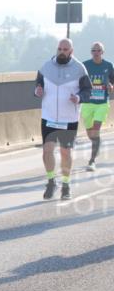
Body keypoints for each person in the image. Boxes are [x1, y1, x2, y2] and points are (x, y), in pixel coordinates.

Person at [35, 38, 91, 200]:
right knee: (47, 151)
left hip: (69, 118)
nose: (61, 51)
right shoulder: (45, 67)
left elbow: (87, 91)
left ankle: (66, 184)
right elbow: (38, 85)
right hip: (49, 116)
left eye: (65, 49)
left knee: (65, 152)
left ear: (71, 51)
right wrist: (37, 90)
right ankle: (51, 181)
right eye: (59, 48)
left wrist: (79, 98)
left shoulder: (80, 68)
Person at [82, 41, 114, 170]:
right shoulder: (85, 65)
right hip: (88, 103)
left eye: (98, 50)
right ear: (91, 52)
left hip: (102, 104)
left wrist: (111, 86)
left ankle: (92, 160)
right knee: (91, 134)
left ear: (102, 52)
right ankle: (97, 144)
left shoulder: (108, 65)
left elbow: (112, 81)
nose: (96, 53)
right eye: (93, 50)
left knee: (96, 130)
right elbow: (78, 81)